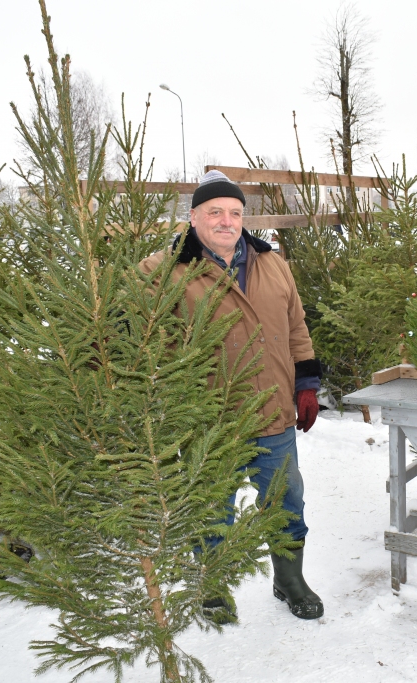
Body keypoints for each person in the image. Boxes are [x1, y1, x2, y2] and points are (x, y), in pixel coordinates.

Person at [139, 170, 324, 621]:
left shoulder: (272, 264)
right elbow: (135, 338)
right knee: (210, 509)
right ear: (193, 217)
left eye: (235, 212)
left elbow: (296, 327)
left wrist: (306, 385)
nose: (226, 221)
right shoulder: (162, 272)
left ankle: (289, 579)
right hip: (209, 421)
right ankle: (212, 582)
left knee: (286, 500)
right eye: (215, 212)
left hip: (273, 413)